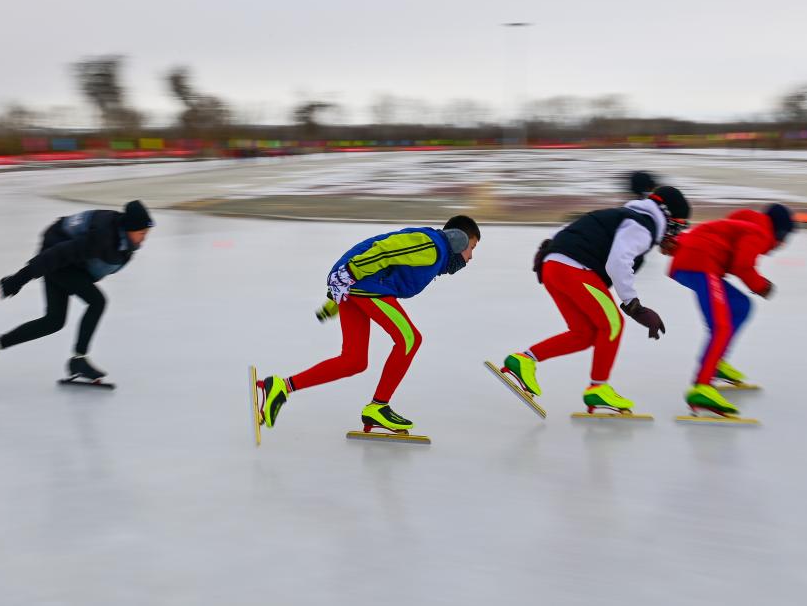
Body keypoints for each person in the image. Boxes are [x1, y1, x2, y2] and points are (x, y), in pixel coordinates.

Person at [258, 215, 480, 434]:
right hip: (364, 282)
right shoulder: (431, 245)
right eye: (471, 247)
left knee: (353, 361)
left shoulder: (435, 252)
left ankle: (281, 386)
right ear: (457, 239)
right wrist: (349, 275)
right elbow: (385, 249)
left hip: (357, 284)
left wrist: (336, 296)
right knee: (410, 339)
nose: (470, 257)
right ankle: (378, 406)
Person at [500, 186, 691, 413]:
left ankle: (524, 360)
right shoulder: (643, 226)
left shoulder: (625, 215)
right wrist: (635, 307)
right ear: (666, 215)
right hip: (575, 268)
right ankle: (598, 388)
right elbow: (618, 262)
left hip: (553, 266)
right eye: (676, 226)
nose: (674, 234)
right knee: (613, 324)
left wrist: (550, 250)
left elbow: (574, 228)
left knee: (585, 333)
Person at [0, 200, 154, 382]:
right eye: (142, 232)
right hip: (56, 253)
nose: (144, 238)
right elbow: (57, 255)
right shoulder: (102, 237)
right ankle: (79, 360)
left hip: (70, 262)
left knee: (53, 321)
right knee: (97, 302)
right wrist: (19, 279)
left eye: (146, 233)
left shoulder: (124, 243)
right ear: (128, 228)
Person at [666, 203, 794, 415]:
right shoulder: (760, 233)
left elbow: (716, 236)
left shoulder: (748, 225)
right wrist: (761, 286)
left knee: (741, 305)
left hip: (697, 261)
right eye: (785, 238)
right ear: (780, 232)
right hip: (700, 264)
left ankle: (716, 363)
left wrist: (677, 242)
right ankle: (702, 387)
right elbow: (741, 265)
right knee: (721, 326)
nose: (781, 244)